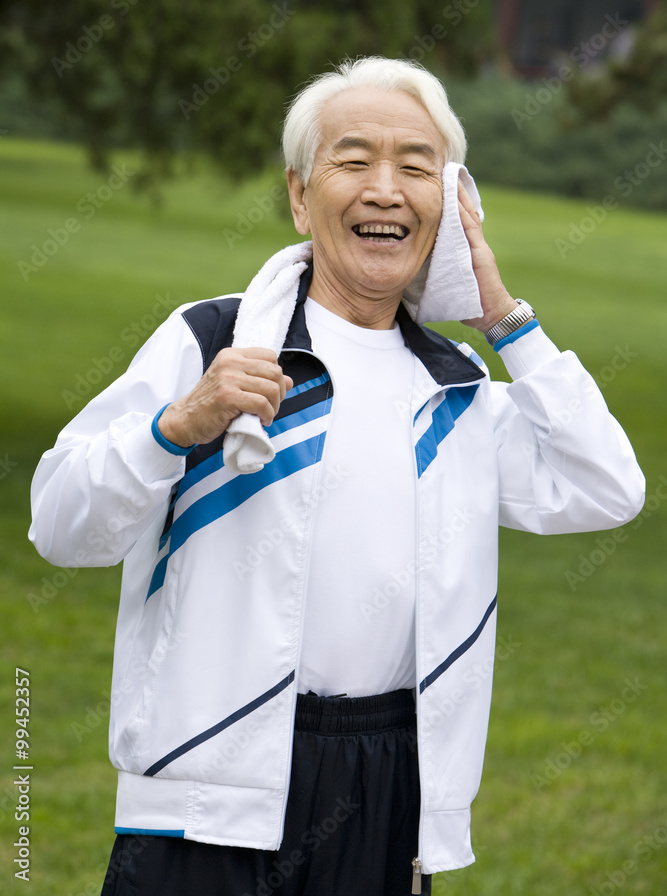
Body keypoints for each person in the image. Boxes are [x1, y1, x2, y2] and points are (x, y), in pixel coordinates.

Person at [29, 57, 645, 896]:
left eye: (416, 166)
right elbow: (62, 528)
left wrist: (504, 315)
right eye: (353, 162)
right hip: (206, 785)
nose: (385, 190)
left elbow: (607, 487)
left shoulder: (456, 387)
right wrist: (174, 428)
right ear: (298, 194)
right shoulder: (211, 342)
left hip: (391, 784)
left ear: (452, 202)